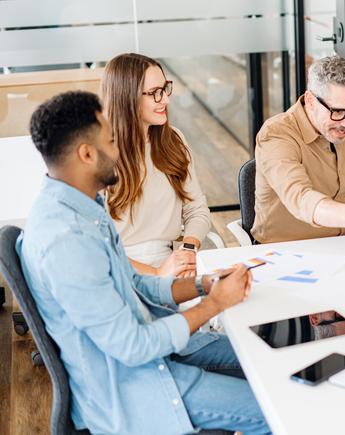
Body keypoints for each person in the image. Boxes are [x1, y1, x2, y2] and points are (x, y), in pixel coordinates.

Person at [17, 91, 270, 435]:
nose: (119, 151)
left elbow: (134, 285)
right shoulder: (66, 240)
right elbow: (133, 346)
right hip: (136, 390)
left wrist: (203, 284)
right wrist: (214, 305)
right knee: (280, 407)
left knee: (271, 360)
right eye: (111, 141)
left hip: (157, 356)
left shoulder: (84, 205)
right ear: (87, 154)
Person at [252, 55, 345, 243]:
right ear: (311, 100)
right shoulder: (276, 135)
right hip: (288, 248)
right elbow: (301, 198)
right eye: (338, 112)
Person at [102, 53, 211, 278]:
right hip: (118, 270)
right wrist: (157, 272)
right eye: (154, 93)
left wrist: (188, 251)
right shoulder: (98, 155)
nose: (166, 100)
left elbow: (196, 209)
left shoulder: (174, 141)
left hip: (169, 263)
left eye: (165, 88)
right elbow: (94, 247)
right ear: (127, 97)